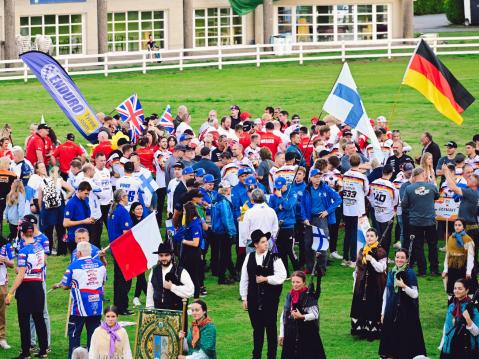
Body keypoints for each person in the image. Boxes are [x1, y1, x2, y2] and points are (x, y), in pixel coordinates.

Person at [240, 229, 286, 359]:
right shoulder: (249, 257)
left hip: (270, 299)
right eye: (263, 242)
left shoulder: (274, 257)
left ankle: (271, 356)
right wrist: (244, 297)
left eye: (266, 241)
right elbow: (245, 278)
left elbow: (282, 276)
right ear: (255, 244)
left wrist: (266, 279)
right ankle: (257, 356)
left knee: (271, 329)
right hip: (253, 298)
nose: (266, 244)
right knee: (257, 330)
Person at [5, 221, 48, 358]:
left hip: (26, 288)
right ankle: (43, 350)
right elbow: (44, 263)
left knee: (24, 320)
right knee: (39, 318)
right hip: (38, 286)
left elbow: (21, 276)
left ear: (22, 233)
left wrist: (10, 293)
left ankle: (25, 352)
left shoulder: (23, 251)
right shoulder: (39, 246)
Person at [57, 241, 107, 358]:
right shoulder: (100, 265)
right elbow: (103, 281)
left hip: (79, 310)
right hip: (96, 308)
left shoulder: (73, 266)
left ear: (78, 253)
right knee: (94, 338)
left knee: (74, 337)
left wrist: (60, 285)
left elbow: (65, 285)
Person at [379, 248, 426, 358]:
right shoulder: (391, 272)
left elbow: (415, 294)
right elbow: (386, 293)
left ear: (406, 259)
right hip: (391, 310)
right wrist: (383, 312)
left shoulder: (410, 273)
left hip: (406, 311)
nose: (399, 260)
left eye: (402, 258)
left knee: (404, 339)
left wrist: (404, 286)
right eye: (397, 257)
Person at [301, 168, 342, 273]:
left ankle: (321, 269)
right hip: (310, 219)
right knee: (308, 243)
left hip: (321, 218)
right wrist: (304, 218)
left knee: (322, 243)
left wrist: (328, 211)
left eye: (319, 177)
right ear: (311, 178)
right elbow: (302, 205)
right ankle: (310, 268)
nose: (318, 179)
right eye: (316, 177)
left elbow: (338, 199)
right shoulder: (306, 189)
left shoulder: (325, 188)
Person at [278, 271, 326, 359]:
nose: (295, 284)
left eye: (298, 282)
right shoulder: (290, 295)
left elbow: (315, 314)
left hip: (307, 332)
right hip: (291, 332)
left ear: (304, 282)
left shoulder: (309, 295)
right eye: (293, 282)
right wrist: (282, 334)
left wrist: (302, 316)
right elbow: (284, 315)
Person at [350, 228, 387, 340]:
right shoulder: (362, 250)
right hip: (361, 284)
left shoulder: (381, 251)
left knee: (372, 305)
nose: (369, 238)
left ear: (377, 237)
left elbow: (381, 269)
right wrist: (355, 283)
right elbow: (358, 268)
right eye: (368, 236)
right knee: (360, 305)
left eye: (372, 236)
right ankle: (361, 329)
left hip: (375, 284)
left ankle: (373, 330)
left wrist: (372, 260)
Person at [402, 167, 440, 276]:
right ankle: (434, 269)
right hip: (430, 221)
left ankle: (422, 270)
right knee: (432, 245)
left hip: (415, 221)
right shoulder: (432, 187)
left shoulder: (409, 188)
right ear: (423, 175)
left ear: (414, 176)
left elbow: (404, 205)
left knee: (418, 246)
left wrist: (412, 210)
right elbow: (437, 196)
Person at [443, 165, 479, 258]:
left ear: (475, 183)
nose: (468, 179)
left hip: (468, 227)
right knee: (471, 252)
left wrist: (446, 172)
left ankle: (469, 270)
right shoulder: (472, 191)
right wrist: (449, 174)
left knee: (467, 253)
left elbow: (453, 187)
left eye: (470, 179)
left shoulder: (471, 192)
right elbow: (455, 184)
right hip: (472, 226)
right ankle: (472, 270)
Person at [107, 189, 133, 315]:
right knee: (124, 279)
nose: (128, 198)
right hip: (123, 249)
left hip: (114, 248)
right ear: (122, 198)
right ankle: (122, 307)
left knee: (118, 279)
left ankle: (118, 305)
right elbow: (126, 233)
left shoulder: (112, 210)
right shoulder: (122, 212)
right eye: (126, 196)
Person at [146, 242, 194, 310]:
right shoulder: (154, 271)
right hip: (158, 311)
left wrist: (172, 287)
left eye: (166, 255)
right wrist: (149, 309)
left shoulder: (180, 271)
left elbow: (190, 291)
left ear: (171, 255)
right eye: (161, 255)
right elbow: (150, 293)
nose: (164, 258)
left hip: (176, 312)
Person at [439, 278, 479, 358]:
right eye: (455, 288)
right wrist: (442, 344)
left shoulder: (473, 308)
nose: (456, 291)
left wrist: (468, 320)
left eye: (460, 289)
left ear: (467, 290)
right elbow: (446, 327)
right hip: (451, 345)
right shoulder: (452, 306)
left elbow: (477, 332)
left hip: (465, 346)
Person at [39, 166, 74, 255]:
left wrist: (41, 208)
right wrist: (65, 198)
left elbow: (40, 198)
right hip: (59, 208)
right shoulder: (59, 180)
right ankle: (62, 251)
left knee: (48, 231)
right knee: (61, 230)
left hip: (47, 209)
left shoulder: (43, 181)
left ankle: (48, 250)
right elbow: (72, 190)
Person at [342, 154, 369, 267]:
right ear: (359, 163)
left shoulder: (345, 175)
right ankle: (353, 259)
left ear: (349, 162)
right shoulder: (362, 177)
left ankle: (345, 258)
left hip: (347, 207)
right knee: (354, 234)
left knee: (348, 233)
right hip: (357, 209)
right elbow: (366, 191)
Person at [269, 177, 299, 276]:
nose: (278, 190)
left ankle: (297, 271)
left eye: (280, 187)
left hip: (289, 226)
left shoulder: (292, 193)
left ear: (285, 185)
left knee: (290, 250)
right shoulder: (274, 196)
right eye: (277, 188)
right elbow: (271, 210)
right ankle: (285, 273)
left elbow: (289, 206)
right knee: (281, 251)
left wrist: (281, 198)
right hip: (278, 227)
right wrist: (279, 207)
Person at [367, 164, 398, 257]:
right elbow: (396, 201)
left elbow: (369, 195)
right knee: (386, 238)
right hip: (387, 215)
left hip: (376, 212)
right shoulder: (391, 186)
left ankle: (376, 254)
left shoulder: (374, 183)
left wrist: (374, 205)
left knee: (377, 235)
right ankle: (384, 257)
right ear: (391, 173)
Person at [442, 218, 477, 299]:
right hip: (452, 267)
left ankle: (468, 308)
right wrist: (445, 269)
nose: (457, 227)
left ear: (463, 227)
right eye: (455, 225)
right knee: (452, 289)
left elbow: (470, 257)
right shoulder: (451, 238)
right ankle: (452, 308)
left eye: (459, 225)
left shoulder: (467, 239)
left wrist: (468, 271)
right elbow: (448, 255)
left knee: (468, 288)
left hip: (463, 267)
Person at [210, 181, 237, 284]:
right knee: (225, 255)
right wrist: (231, 233)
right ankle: (222, 278)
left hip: (216, 231)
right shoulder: (223, 202)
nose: (231, 189)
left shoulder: (215, 200)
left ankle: (233, 273)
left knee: (226, 254)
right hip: (224, 231)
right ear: (226, 189)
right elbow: (226, 219)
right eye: (230, 187)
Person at [179, 202, 205, 299]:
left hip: (192, 254)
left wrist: (184, 241)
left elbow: (195, 243)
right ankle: (186, 296)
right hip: (187, 253)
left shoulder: (195, 225)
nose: (183, 212)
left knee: (194, 275)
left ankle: (196, 298)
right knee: (184, 274)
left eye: (184, 210)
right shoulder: (191, 222)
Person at [63, 181, 94, 254]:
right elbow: (65, 223)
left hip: (85, 235)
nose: (87, 196)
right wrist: (83, 221)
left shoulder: (85, 199)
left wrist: (90, 220)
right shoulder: (71, 203)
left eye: (88, 194)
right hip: (75, 238)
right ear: (79, 191)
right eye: (85, 193)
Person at [128, 202, 148, 307]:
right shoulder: (131, 222)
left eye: (141, 209)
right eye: (137, 209)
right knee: (140, 275)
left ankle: (137, 297)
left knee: (141, 275)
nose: (140, 211)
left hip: (142, 250)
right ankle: (147, 296)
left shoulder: (144, 221)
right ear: (132, 211)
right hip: (134, 251)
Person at [0, 234, 14, 350]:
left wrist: (4, 259)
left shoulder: (6, 246)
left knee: (1, 312)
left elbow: (12, 264)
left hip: (1, 283)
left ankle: (2, 338)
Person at [0, 157, 17, 237]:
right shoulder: (12, 174)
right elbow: (15, 187)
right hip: (8, 199)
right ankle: (12, 236)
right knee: (10, 218)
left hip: (4, 199)